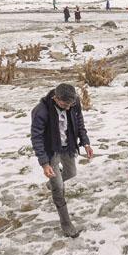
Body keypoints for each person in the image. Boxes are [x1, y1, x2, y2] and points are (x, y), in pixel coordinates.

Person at [30, 84, 93, 238]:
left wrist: (85, 142)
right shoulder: (41, 111)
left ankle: (51, 183)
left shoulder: (74, 103)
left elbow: (80, 124)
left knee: (71, 173)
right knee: (58, 186)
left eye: (70, 105)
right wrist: (44, 164)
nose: (68, 108)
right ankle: (66, 223)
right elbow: (36, 138)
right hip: (50, 149)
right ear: (55, 98)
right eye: (65, 105)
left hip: (68, 145)